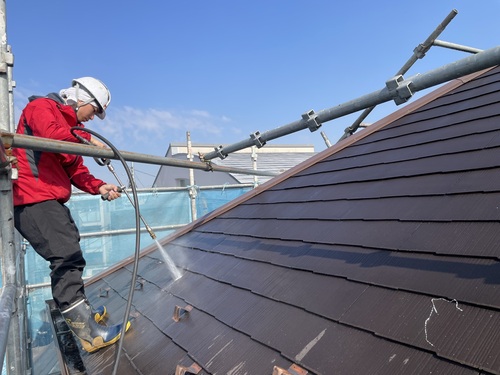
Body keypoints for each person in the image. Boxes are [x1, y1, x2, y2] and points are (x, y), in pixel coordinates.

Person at [12, 77, 130, 353]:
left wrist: (100, 186)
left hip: (47, 198)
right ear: (81, 99)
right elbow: (52, 135)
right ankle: (89, 333)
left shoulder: (71, 130)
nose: (94, 119)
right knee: (66, 254)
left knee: (70, 249)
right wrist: (89, 142)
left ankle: (81, 315)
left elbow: (76, 170)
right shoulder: (41, 107)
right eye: (95, 111)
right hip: (31, 197)